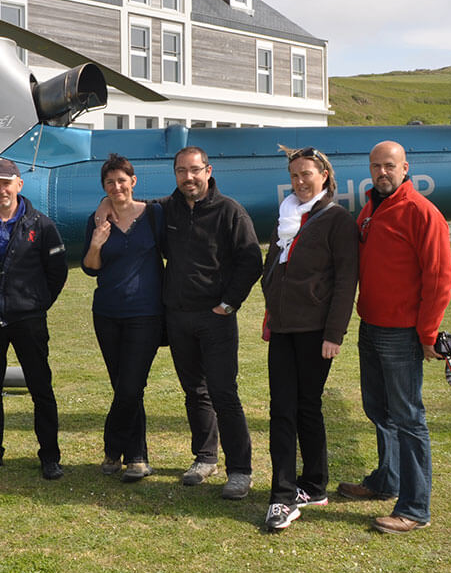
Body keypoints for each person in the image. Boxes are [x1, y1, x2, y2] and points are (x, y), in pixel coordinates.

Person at [128, 145, 263, 500]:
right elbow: (129, 206)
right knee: (195, 392)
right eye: (181, 171)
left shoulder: (230, 212)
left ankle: (240, 471)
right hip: (178, 316)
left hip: (216, 318)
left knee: (223, 392)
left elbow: (251, 260)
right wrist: (103, 207)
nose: (188, 177)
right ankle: (205, 458)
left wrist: (229, 304)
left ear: (208, 171)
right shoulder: (165, 210)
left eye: (194, 170)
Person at [337, 140, 451, 534]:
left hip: (401, 333)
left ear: (406, 168)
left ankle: (415, 509)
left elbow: (439, 279)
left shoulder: (422, 213)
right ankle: (387, 480)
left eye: (389, 166)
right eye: (375, 166)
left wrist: (428, 334)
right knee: (379, 411)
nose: (381, 172)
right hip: (371, 325)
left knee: (408, 419)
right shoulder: (371, 209)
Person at [260, 147, 359, 532]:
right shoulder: (287, 215)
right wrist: (271, 307)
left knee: (302, 406)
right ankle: (312, 486)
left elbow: (345, 281)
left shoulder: (336, 220)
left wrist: (334, 334)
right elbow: (274, 266)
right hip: (283, 327)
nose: (300, 182)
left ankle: (282, 498)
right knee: (288, 408)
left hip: (316, 331)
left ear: (324, 176)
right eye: (295, 176)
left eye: (307, 175)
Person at [0, 158, 69, 481]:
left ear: (19, 185)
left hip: (28, 320)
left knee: (41, 388)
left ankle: (49, 456)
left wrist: (36, 304)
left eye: (6, 183)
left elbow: (57, 273)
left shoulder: (42, 226)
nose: (1, 189)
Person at [82, 154, 164, 483]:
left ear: (133, 181)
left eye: (121, 180)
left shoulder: (154, 214)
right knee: (123, 386)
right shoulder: (98, 220)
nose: (117, 187)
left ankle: (112, 447)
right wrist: (96, 243)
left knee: (131, 386)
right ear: (104, 187)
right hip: (107, 314)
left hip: (145, 314)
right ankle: (136, 458)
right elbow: (90, 267)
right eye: (109, 183)